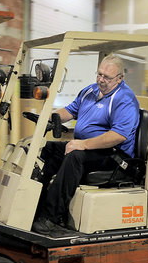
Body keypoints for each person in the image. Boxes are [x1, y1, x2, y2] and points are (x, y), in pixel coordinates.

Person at [32, 55, 140, 236]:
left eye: (107, 77)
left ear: (120, 78)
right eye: (99, 74)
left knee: (74, 157)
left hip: (113, 156)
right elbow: (70, 110)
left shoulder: (124, 99)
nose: (101, 80)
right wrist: (48, 118)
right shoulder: (90, 91)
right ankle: (35, 205)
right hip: (90, 148)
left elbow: (118, 136)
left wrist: (83, 144)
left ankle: (50, 218)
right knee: (49, 149)